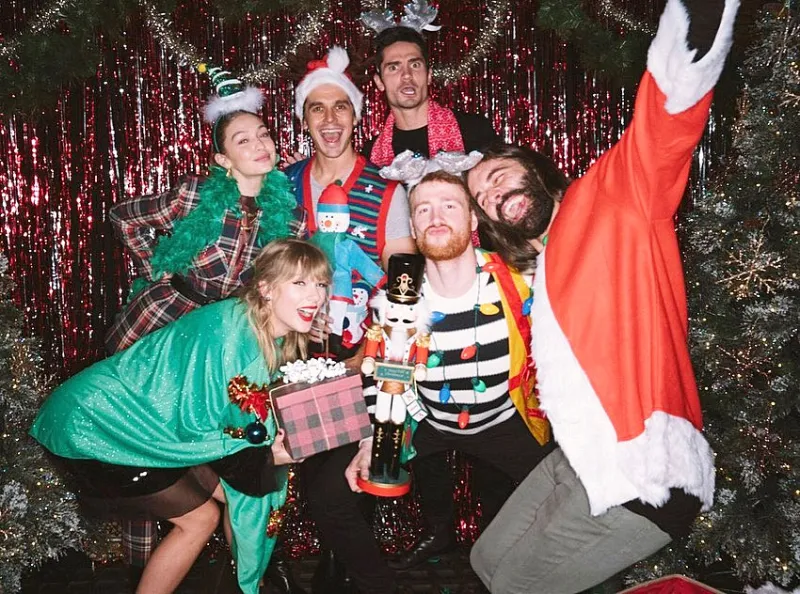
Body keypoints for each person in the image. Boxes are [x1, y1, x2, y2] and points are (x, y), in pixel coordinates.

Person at [464, 0, 737, 591]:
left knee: (515, 586)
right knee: (486, 562)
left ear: (537, 169)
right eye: (483, 199)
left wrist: (694, 23)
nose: (493, 194)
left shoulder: (610, 199)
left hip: (647, 475)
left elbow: (664, 126)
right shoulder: (539, 265)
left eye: (500, 175)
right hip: (580, 458)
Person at [31, 238, 331, 594]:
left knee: (236, 493)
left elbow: (242, 425)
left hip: (141, 424)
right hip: (97, 426)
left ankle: (249, 584)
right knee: (200, 520)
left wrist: (268, 451)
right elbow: (234, 432)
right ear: (265, 288)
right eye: (299, 282)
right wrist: (269, 453)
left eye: (321, 284)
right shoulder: (237, 338)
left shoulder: (261, 327)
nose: (315, 296)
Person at [105, 68, 305, 593]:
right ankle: (140, 567)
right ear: (223, 159)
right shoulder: (195, 195)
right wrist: (160, 264)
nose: (259, 144)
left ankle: (248, 566)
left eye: (264, 134)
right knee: (144, 445)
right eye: (243, 139)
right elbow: (125, 216)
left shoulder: (288, 218)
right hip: (161, 327)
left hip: (222, 346)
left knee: (232, 446)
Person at [325, 167, 553, 593]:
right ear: (412, 227)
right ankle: (366, 583)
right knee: (333, 491)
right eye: (423, 209)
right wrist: (369, 441)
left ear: (472, 220)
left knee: (568, 498)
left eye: (450, 206)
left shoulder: (518, 279)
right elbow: (385, 375)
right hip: (427, 422)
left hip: (506, 421)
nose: (436, 217)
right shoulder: (398, 296)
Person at [283, 46, 415, 593]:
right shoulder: (280, 186)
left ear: (357, 115)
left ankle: (362, 578)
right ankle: (333, 568)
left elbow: (405, 288)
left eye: (341, 107)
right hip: (288, 361)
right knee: (319, 482)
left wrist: (374, 356)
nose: (330, 119)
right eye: (318, 108)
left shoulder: (387, 191)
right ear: (304, 119)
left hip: (356, 359)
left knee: (330, 490)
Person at [360, 9, 500, 165]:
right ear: (379, 82)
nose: (407, 75)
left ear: (428, 76)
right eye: (393, 67)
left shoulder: (474, 131)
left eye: (415, 64)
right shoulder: (371, 156)